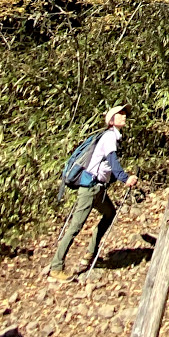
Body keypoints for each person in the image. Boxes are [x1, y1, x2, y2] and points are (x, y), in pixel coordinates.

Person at [48, 105, 136, 280]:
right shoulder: (110, 137)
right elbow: (113, 162)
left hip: (98, 189)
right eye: (120, 114)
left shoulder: (113, 137)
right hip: (89, 189)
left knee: (110, 213)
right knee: (75, 227)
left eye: (124, 114)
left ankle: (90, 252)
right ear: (111, 120)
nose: (124, 116)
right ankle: (56, 267)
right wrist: (125, 179)